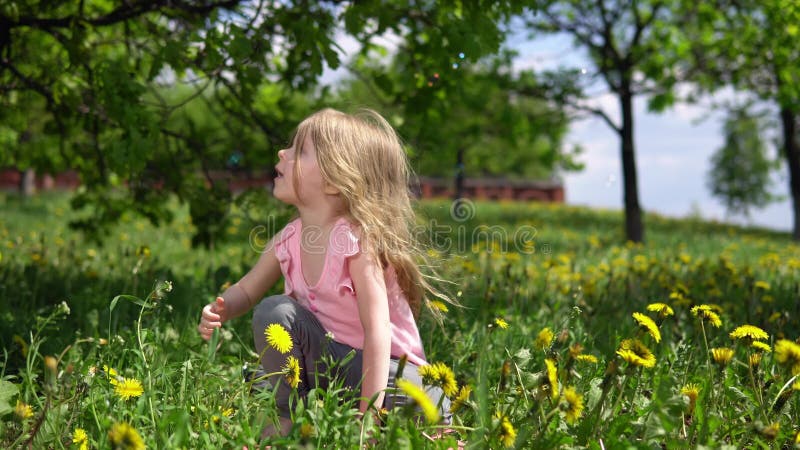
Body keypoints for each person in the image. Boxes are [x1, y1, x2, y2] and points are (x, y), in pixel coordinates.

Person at [197, 108, 452, 437]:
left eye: (299, 150)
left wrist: (369, 418)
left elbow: (377, 333)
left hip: (393, 377)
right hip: (335, 368)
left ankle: (348, 416)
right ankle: (286, 416)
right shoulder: (288, 239)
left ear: (333, 182)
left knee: (421, 402)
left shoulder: (357, 243)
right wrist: (222, 308)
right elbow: (247, 291)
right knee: (275, 312)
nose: (282, 153)